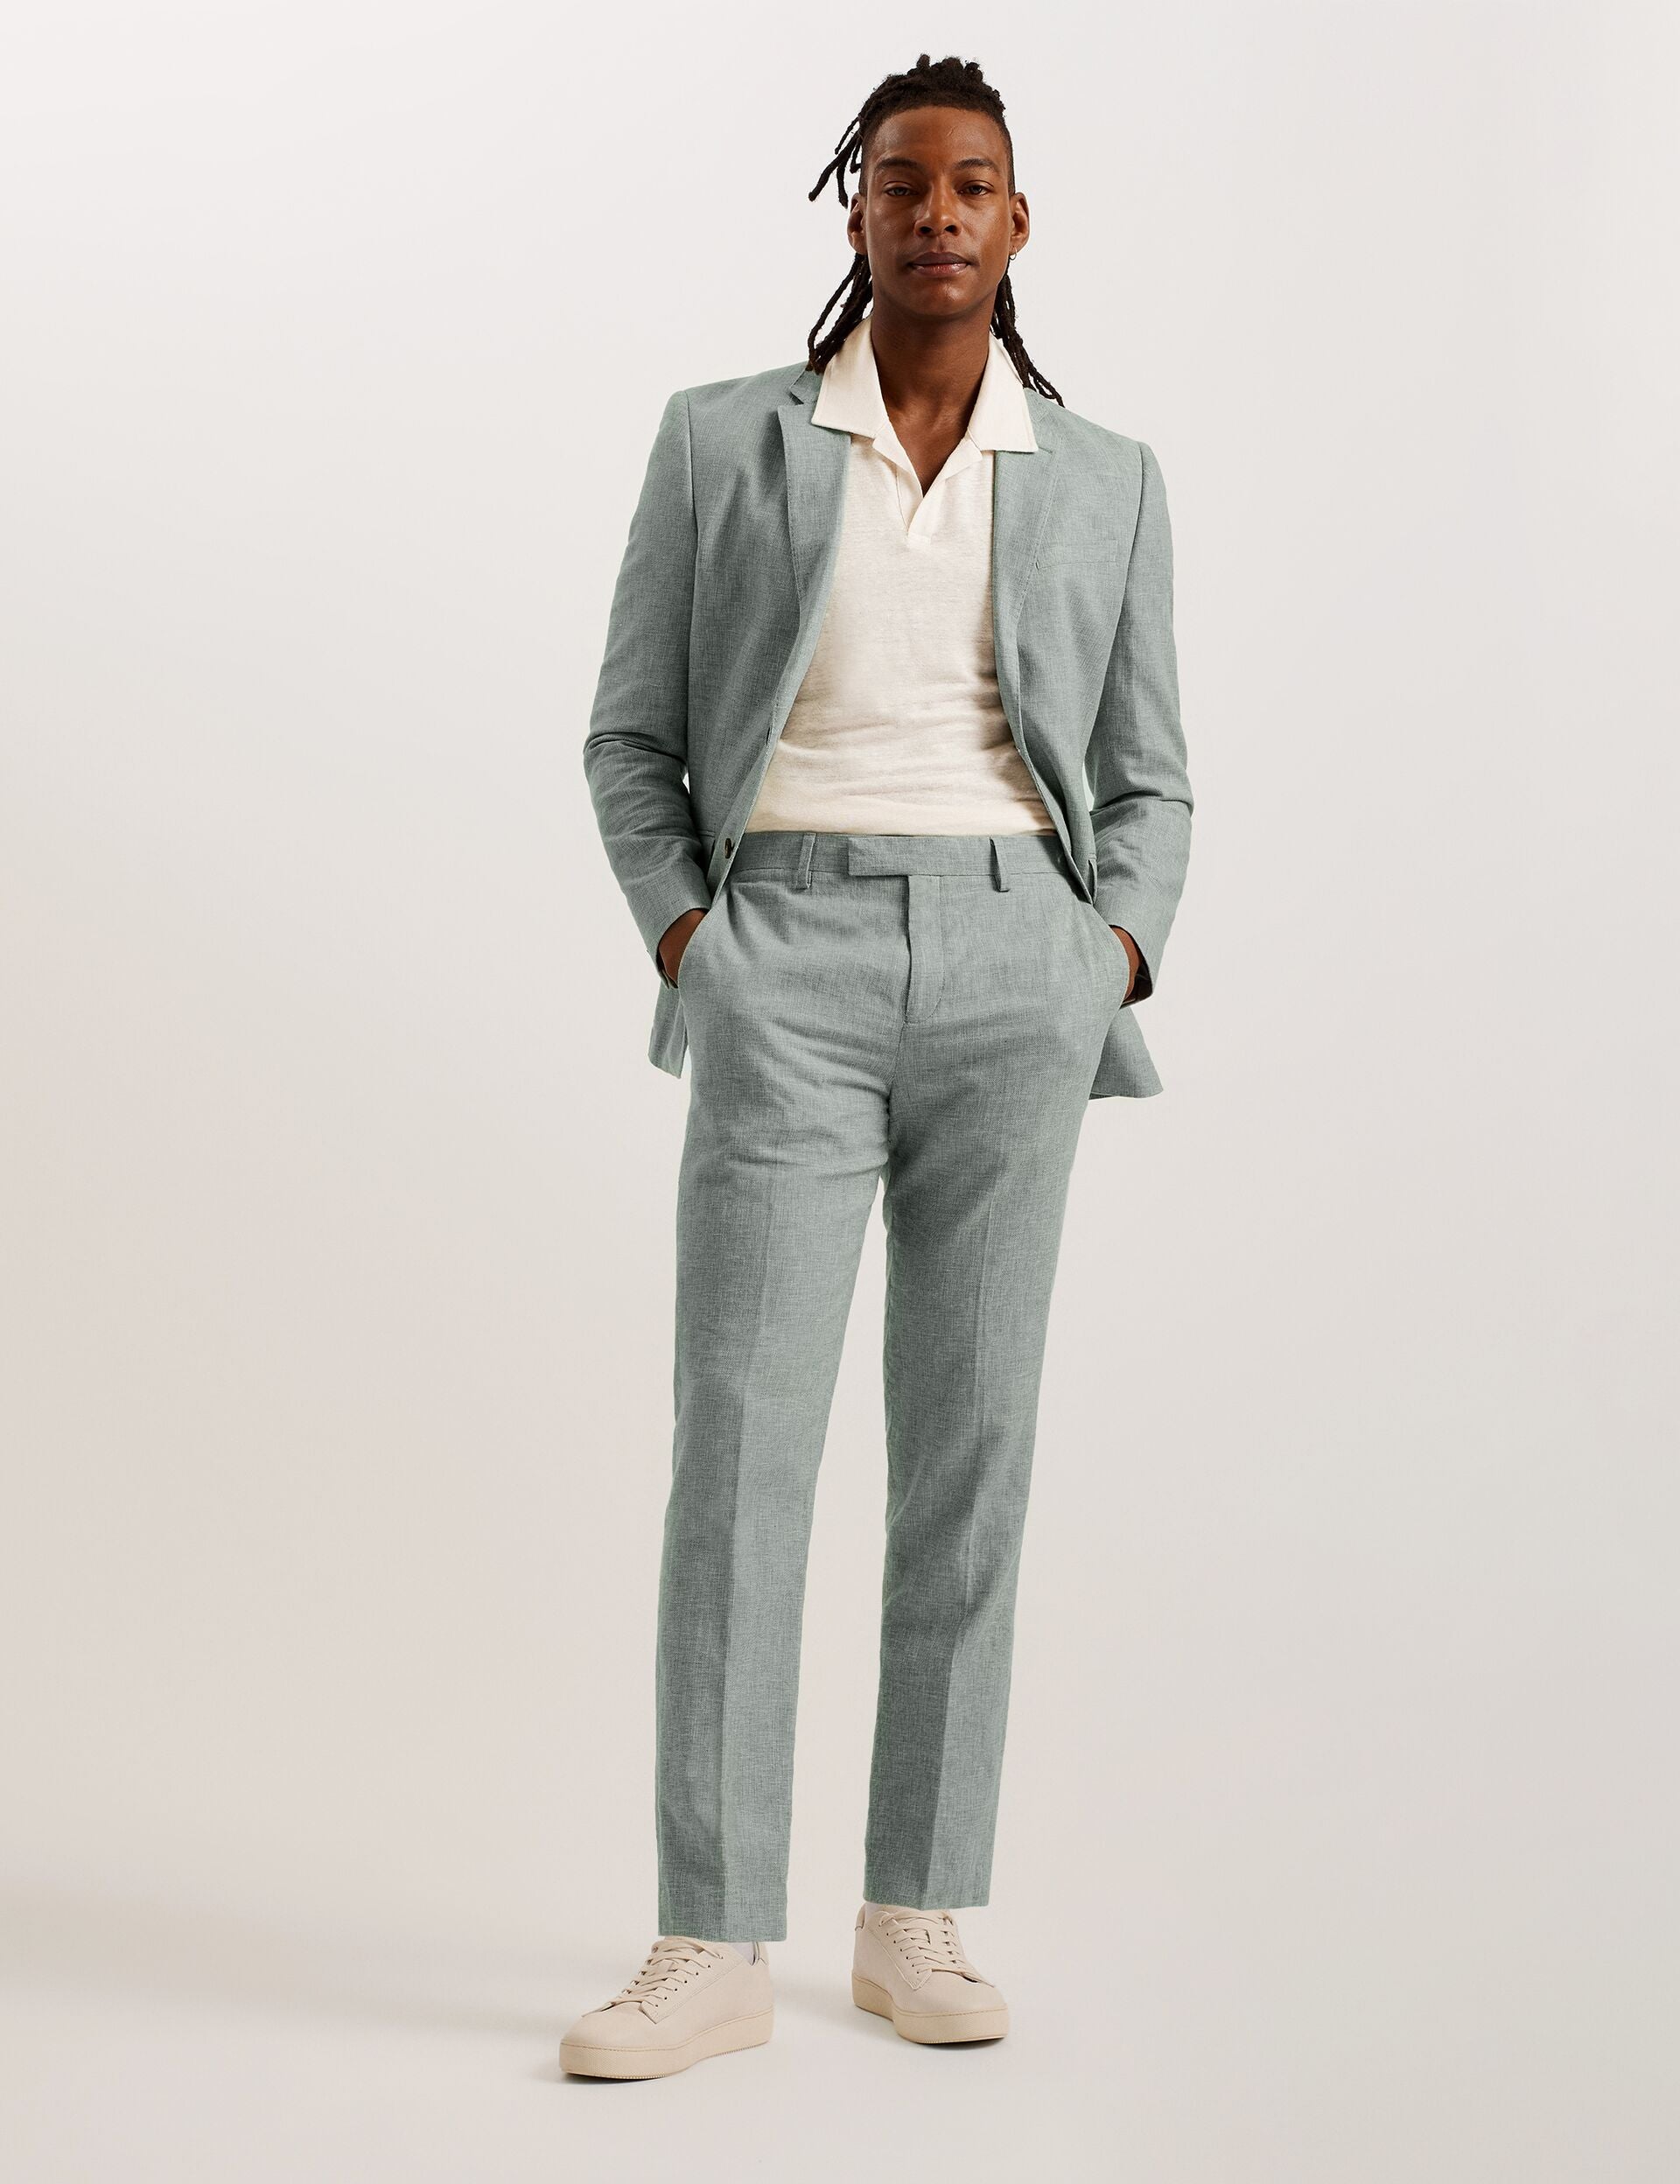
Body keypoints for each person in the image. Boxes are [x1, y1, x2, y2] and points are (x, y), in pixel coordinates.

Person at [563, 52, 1193, 2080]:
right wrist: (698, 943)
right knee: (741, 1440)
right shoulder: (724, 441)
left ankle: (915, 1909)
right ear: (858, 210)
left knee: (969, 1445)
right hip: (791, 961)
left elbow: (1151, 776)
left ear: (1018, 223)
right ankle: (708, 1938)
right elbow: (630, 736)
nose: (937, 213)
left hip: (1022, 963)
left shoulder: (1104, 476)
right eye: (903, 182)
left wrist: (1108, 955)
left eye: (973, 184)